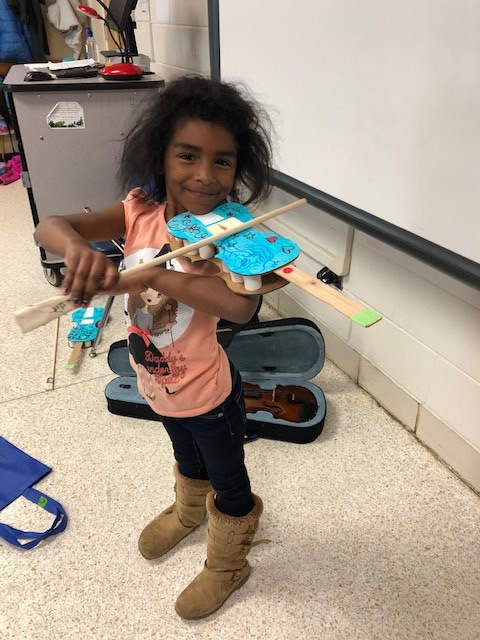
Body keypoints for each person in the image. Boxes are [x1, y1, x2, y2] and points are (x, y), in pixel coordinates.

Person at [34, 75, 274, 620]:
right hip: (156, 381)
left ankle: (230, 561)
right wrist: (77, 251)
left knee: (229, 479)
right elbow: (48, 227)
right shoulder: (138, 211)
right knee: (183, 455)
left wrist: (143, 276)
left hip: (210, 394)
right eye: (187, 155)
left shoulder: (225, 238)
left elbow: (239, 308)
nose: (204, 175)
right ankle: (190, 512)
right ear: (161, 154)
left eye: (223, 161)